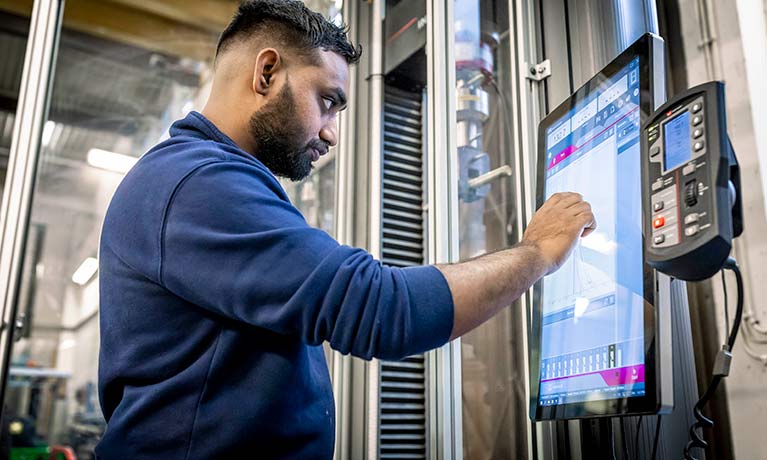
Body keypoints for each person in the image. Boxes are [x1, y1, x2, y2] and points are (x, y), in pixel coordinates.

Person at [95, 1, 595, 459]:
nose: (331, 131)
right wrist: (537, 252)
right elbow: (380, 308)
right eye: (328, 100)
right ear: (266, 72)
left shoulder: (204, 179)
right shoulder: (198, 184)